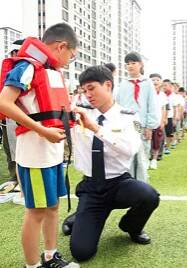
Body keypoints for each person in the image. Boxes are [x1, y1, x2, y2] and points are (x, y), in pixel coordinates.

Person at [0, 23, 79, 268]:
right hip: (35, 154)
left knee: (53, 206)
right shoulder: (27, 67)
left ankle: (50, 256)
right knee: (35, 212)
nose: (69, 60)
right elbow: (4, 103)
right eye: (72, 56)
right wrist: (42, 130)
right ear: (61, 46)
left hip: (53, 152)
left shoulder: (52, 72)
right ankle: (32, 265)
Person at [69, 65, 160, 262]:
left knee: (149, 196)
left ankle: (131, 227)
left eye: (92, 88)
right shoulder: (78, 114)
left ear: (108, 85)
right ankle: (79, 216)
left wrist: (96, 129)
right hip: (92, 187)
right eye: (84, 90)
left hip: (119, 183)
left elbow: (131, 148)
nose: (88, 95)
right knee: (82, 252)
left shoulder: (128, 116)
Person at [115, 52, 159, 182]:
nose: (130, 66)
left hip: (142, 125)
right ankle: (127, 187)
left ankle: (141, 187)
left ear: (141, 64)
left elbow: (152, 105)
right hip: (125, 126)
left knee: (141, 158)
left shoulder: (148, 83)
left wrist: (149, 126)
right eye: (127, 64)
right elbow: (118, 105)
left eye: (133, 63)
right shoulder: (122, 84)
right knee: (126, 158)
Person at [0, 39, 24, 188]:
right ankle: (14, 177)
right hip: (6, 116)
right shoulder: (7, 67)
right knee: (9, 148)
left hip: (18, 116)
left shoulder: (23, 68)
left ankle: (20, 178)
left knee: (19, 148)